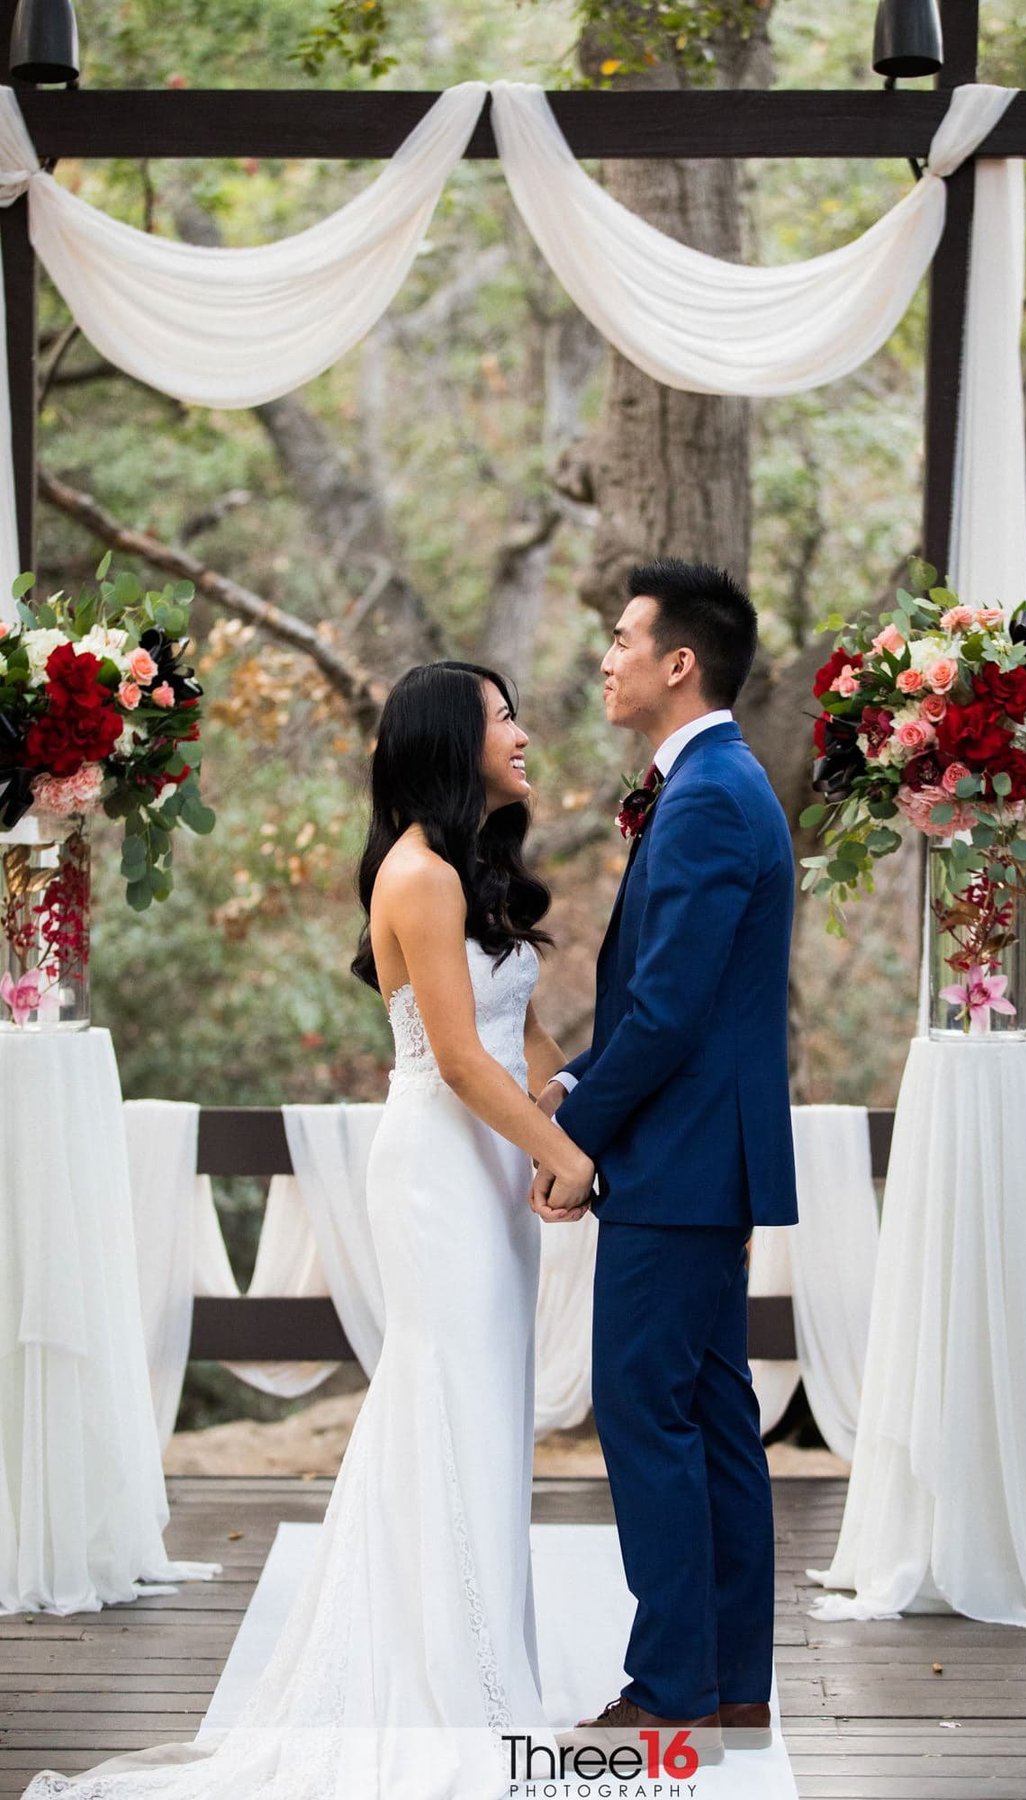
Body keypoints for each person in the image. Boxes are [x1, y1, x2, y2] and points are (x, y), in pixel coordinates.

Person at [24, 661, 593, 1800]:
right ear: (447, 740)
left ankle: (487, 1669)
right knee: (441, 1399)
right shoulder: (418, 876)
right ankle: (442, 1684)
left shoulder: (476, 872)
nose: (523, 732)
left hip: (492, 1159)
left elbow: (520, 1034)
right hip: (440, 1165)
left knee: (483, 1412)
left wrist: (565, 1105)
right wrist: (561, 1154)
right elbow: (460, 1057)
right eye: (501, 717)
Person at [531, 559, 798, 1766]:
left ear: (678, 662)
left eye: (622, 636)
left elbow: (673, 1010)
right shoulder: (714, 787)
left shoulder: (705, 799)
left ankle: (673, 1684)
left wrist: (572, 1136)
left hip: (681, 1166)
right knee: (709, 1417)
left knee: (650, 1417)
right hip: (702, 1157)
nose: (607, 655)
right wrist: (580, 1086)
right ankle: (730, 1683)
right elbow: (657, 997)